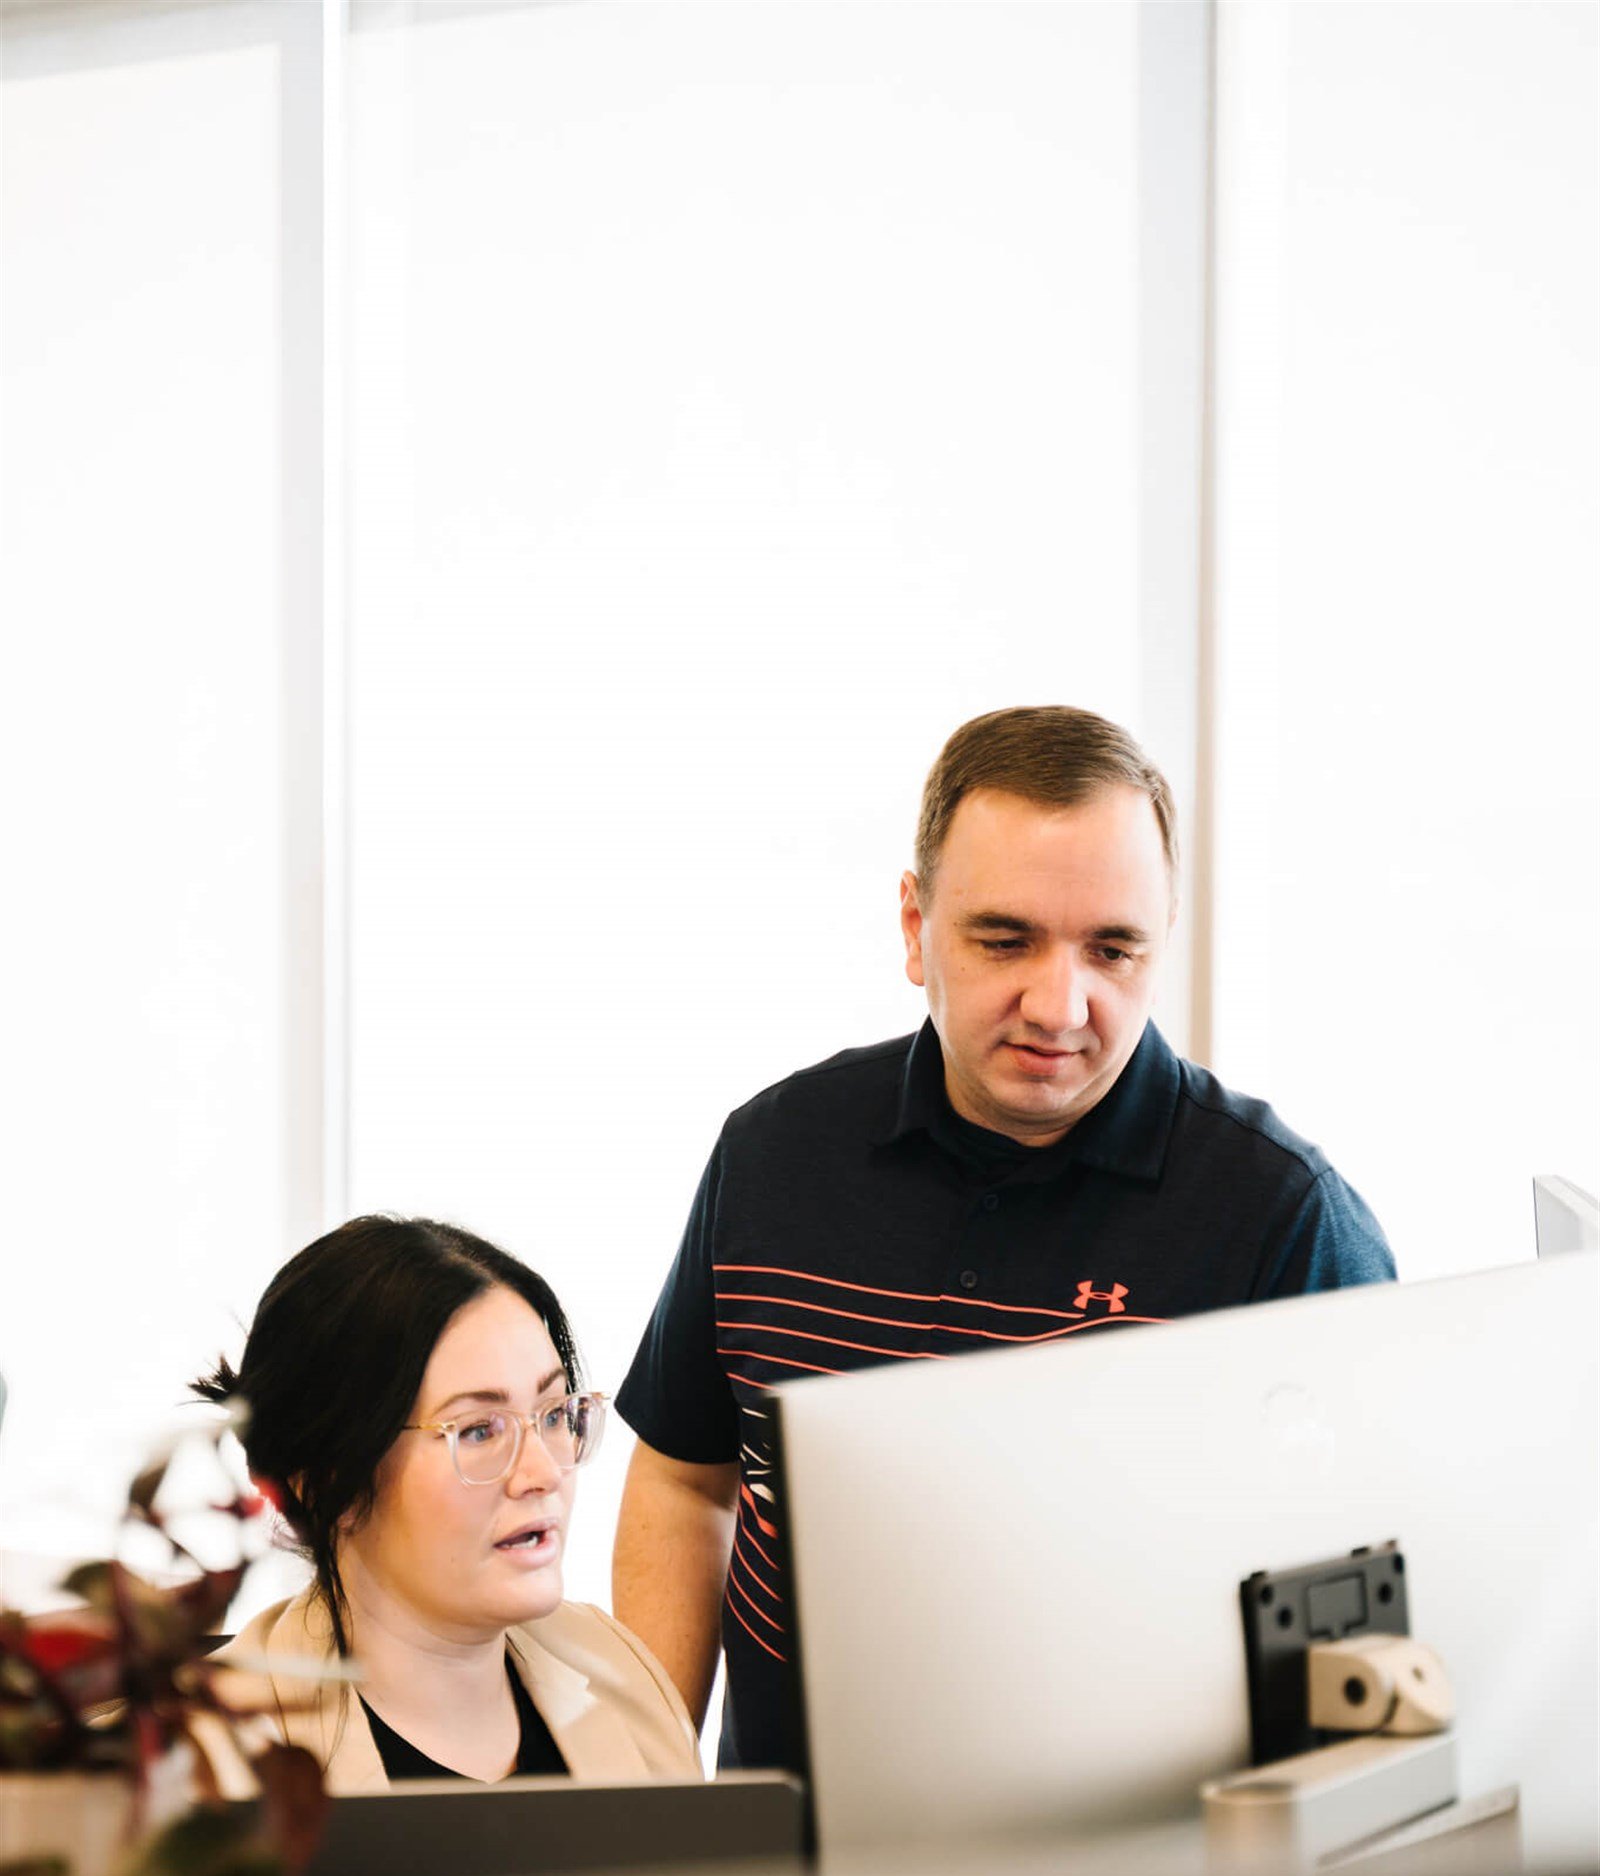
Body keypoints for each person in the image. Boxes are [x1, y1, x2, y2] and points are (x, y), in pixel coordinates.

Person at [613, 703, 1395, 1774]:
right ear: (912, 926)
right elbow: (684, 1479)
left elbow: (1362, 1620)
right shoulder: (772, 1152)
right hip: (781, 1874)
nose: (1060, 1002)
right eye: (1005, 938)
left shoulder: (1285, 1217)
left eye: (1113, 947)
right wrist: (653, 1790)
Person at [196, 1215, 701, 1790]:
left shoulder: (623, 1673)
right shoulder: (194, 1767)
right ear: (324, 1477)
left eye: (555, 1414)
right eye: (479, 1431)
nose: (542, 1473)